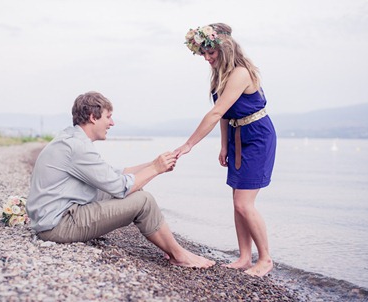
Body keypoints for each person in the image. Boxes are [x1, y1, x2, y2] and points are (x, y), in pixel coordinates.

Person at [27, 91, 215, 268]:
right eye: (108, 117)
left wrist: (154, 163)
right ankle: (179, 255)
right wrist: (156, 169)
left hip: (53, 218)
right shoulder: (77, 147)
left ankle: (170, 247)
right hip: (58, 226)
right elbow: (119, 187)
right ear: (93, 117)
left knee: (137, 191)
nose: (112, 123)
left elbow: (116, 174)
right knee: (143, 200)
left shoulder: (71, 139)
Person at [174, 23, 277, 277]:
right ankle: (244, 257)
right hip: (236, 135)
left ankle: (265, 259)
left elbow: (217, 111)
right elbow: (225, 114)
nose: (207, 58)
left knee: (244, 204)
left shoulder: (240, 73)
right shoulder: (220, 74)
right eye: (204, 54)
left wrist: (189, 144)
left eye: (211, 53)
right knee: (237, 201)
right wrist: (223, 145)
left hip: (257, 137)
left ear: (225, 48)